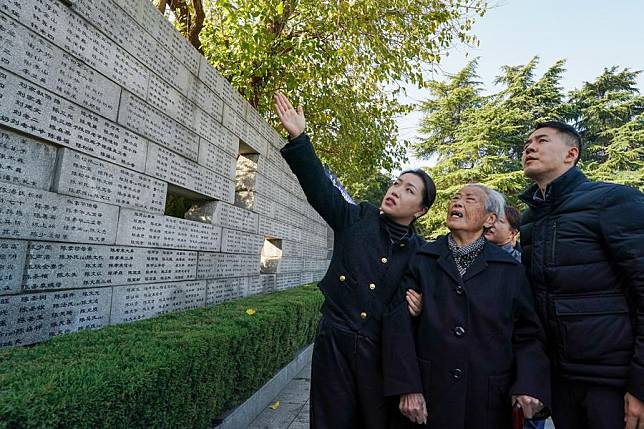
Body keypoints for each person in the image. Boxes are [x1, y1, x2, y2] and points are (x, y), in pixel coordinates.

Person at [273, 92, 437, 428]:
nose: (395, 190)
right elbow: (320, 189)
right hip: (335, 342)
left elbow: (434, 306)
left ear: (420, 209)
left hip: (380, 354)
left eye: (408, 190)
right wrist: (300, 139)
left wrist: (423, 307)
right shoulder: (357, 218)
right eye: (397, 183)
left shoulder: (421, 253)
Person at [382, 183, 550, 429]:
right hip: (430, 395)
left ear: (490, 218)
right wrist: (408, 387)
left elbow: (528, 335)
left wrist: (527, 383)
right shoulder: (423, 260)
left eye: (469, 199)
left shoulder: (510, 270)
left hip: (488, 399)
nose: (457, 203)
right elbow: (398, 324)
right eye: (455, 198)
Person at [519, 121, 644, 429]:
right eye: (526, 144)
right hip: (562, 383)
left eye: (542, 140)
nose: (529, 147)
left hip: (612, 383)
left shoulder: (612, 200)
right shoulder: (530, 220)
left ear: (571, 154)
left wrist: (640, 384)